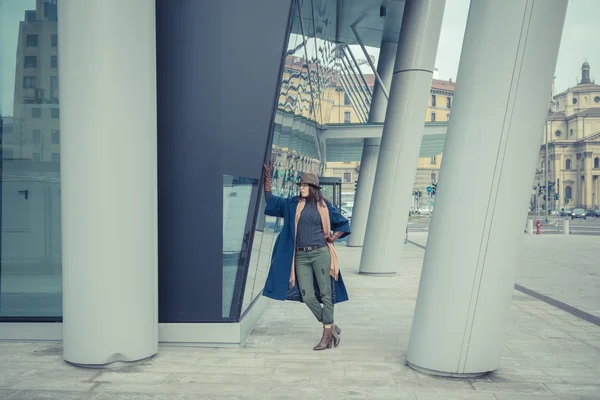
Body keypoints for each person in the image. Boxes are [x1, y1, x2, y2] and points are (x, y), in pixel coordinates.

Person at [261, 160, 351, 350]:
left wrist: (332, 238)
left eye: (304, 186)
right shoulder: (291, 204)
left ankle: (326, 336)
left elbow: (343, 223)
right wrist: (267, 179)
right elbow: (271, 200)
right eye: (300, 185)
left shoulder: (325, 207)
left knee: (326, 294)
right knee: (308, 296)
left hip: (320, 254)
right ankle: (331, 326)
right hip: (300, 256)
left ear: (313, 188)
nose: (301, 188)